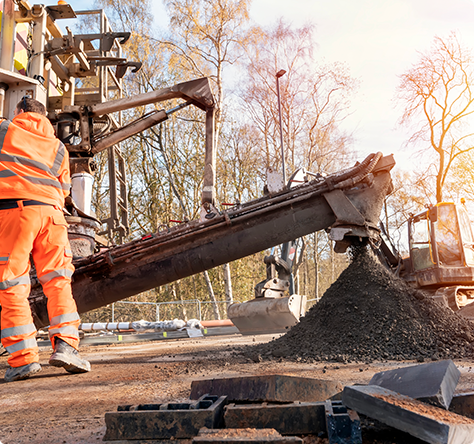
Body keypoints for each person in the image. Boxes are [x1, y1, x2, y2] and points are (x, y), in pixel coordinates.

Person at [0, 97, 91, 382]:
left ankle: (23, 359)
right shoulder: (58, 148)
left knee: (12, 281)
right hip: (52, 216)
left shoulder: (4, 129)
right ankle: (66, 346)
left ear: (19, 112)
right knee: (58, 281)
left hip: (15, 211)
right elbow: (64, 187)